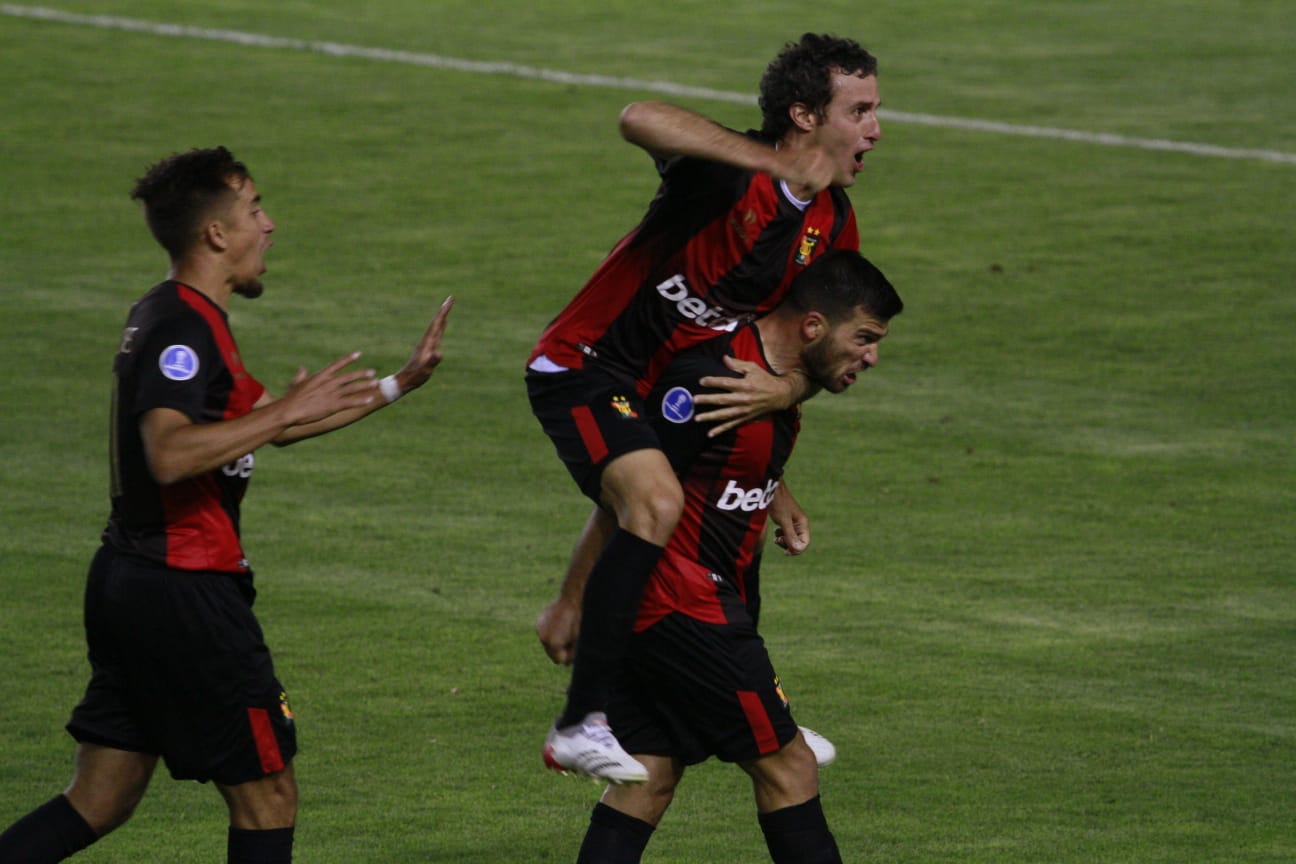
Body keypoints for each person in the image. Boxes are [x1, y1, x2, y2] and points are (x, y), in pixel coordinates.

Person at [0, 146, 453, 864]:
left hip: (131, 579)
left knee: (102, 797)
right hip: (185, 589)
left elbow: (278, 420)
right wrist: (280, 416)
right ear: (215, 233)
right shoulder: (182, 328)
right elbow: (171, 451)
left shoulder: (174, 313)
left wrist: (399, 383)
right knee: (267, 794)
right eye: (253, 210)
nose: (268, 225)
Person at [528, 33, 884, 783]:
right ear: (802, 115)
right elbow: (637, 116)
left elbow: (818, 343)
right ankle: (576, 722)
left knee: (728, 513)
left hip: (666, 395)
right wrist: (771, 161)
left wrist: (786, 401)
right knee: (655, 500)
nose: (875, 130)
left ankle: (763, 710)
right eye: (859, 111)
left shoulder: (832, 226)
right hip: (587, 366)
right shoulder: (724, 174)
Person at [561, 249, 903, 863]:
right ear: (813, 326)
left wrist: (775, 491)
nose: (873, 357)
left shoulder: (778, 383)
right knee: (788, 768)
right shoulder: (709, 382)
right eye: (866, 338)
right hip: (685, 606)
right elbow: (627, 496)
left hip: (689, 604)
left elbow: (722, 461)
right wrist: (573, 598)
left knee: (650, 774)